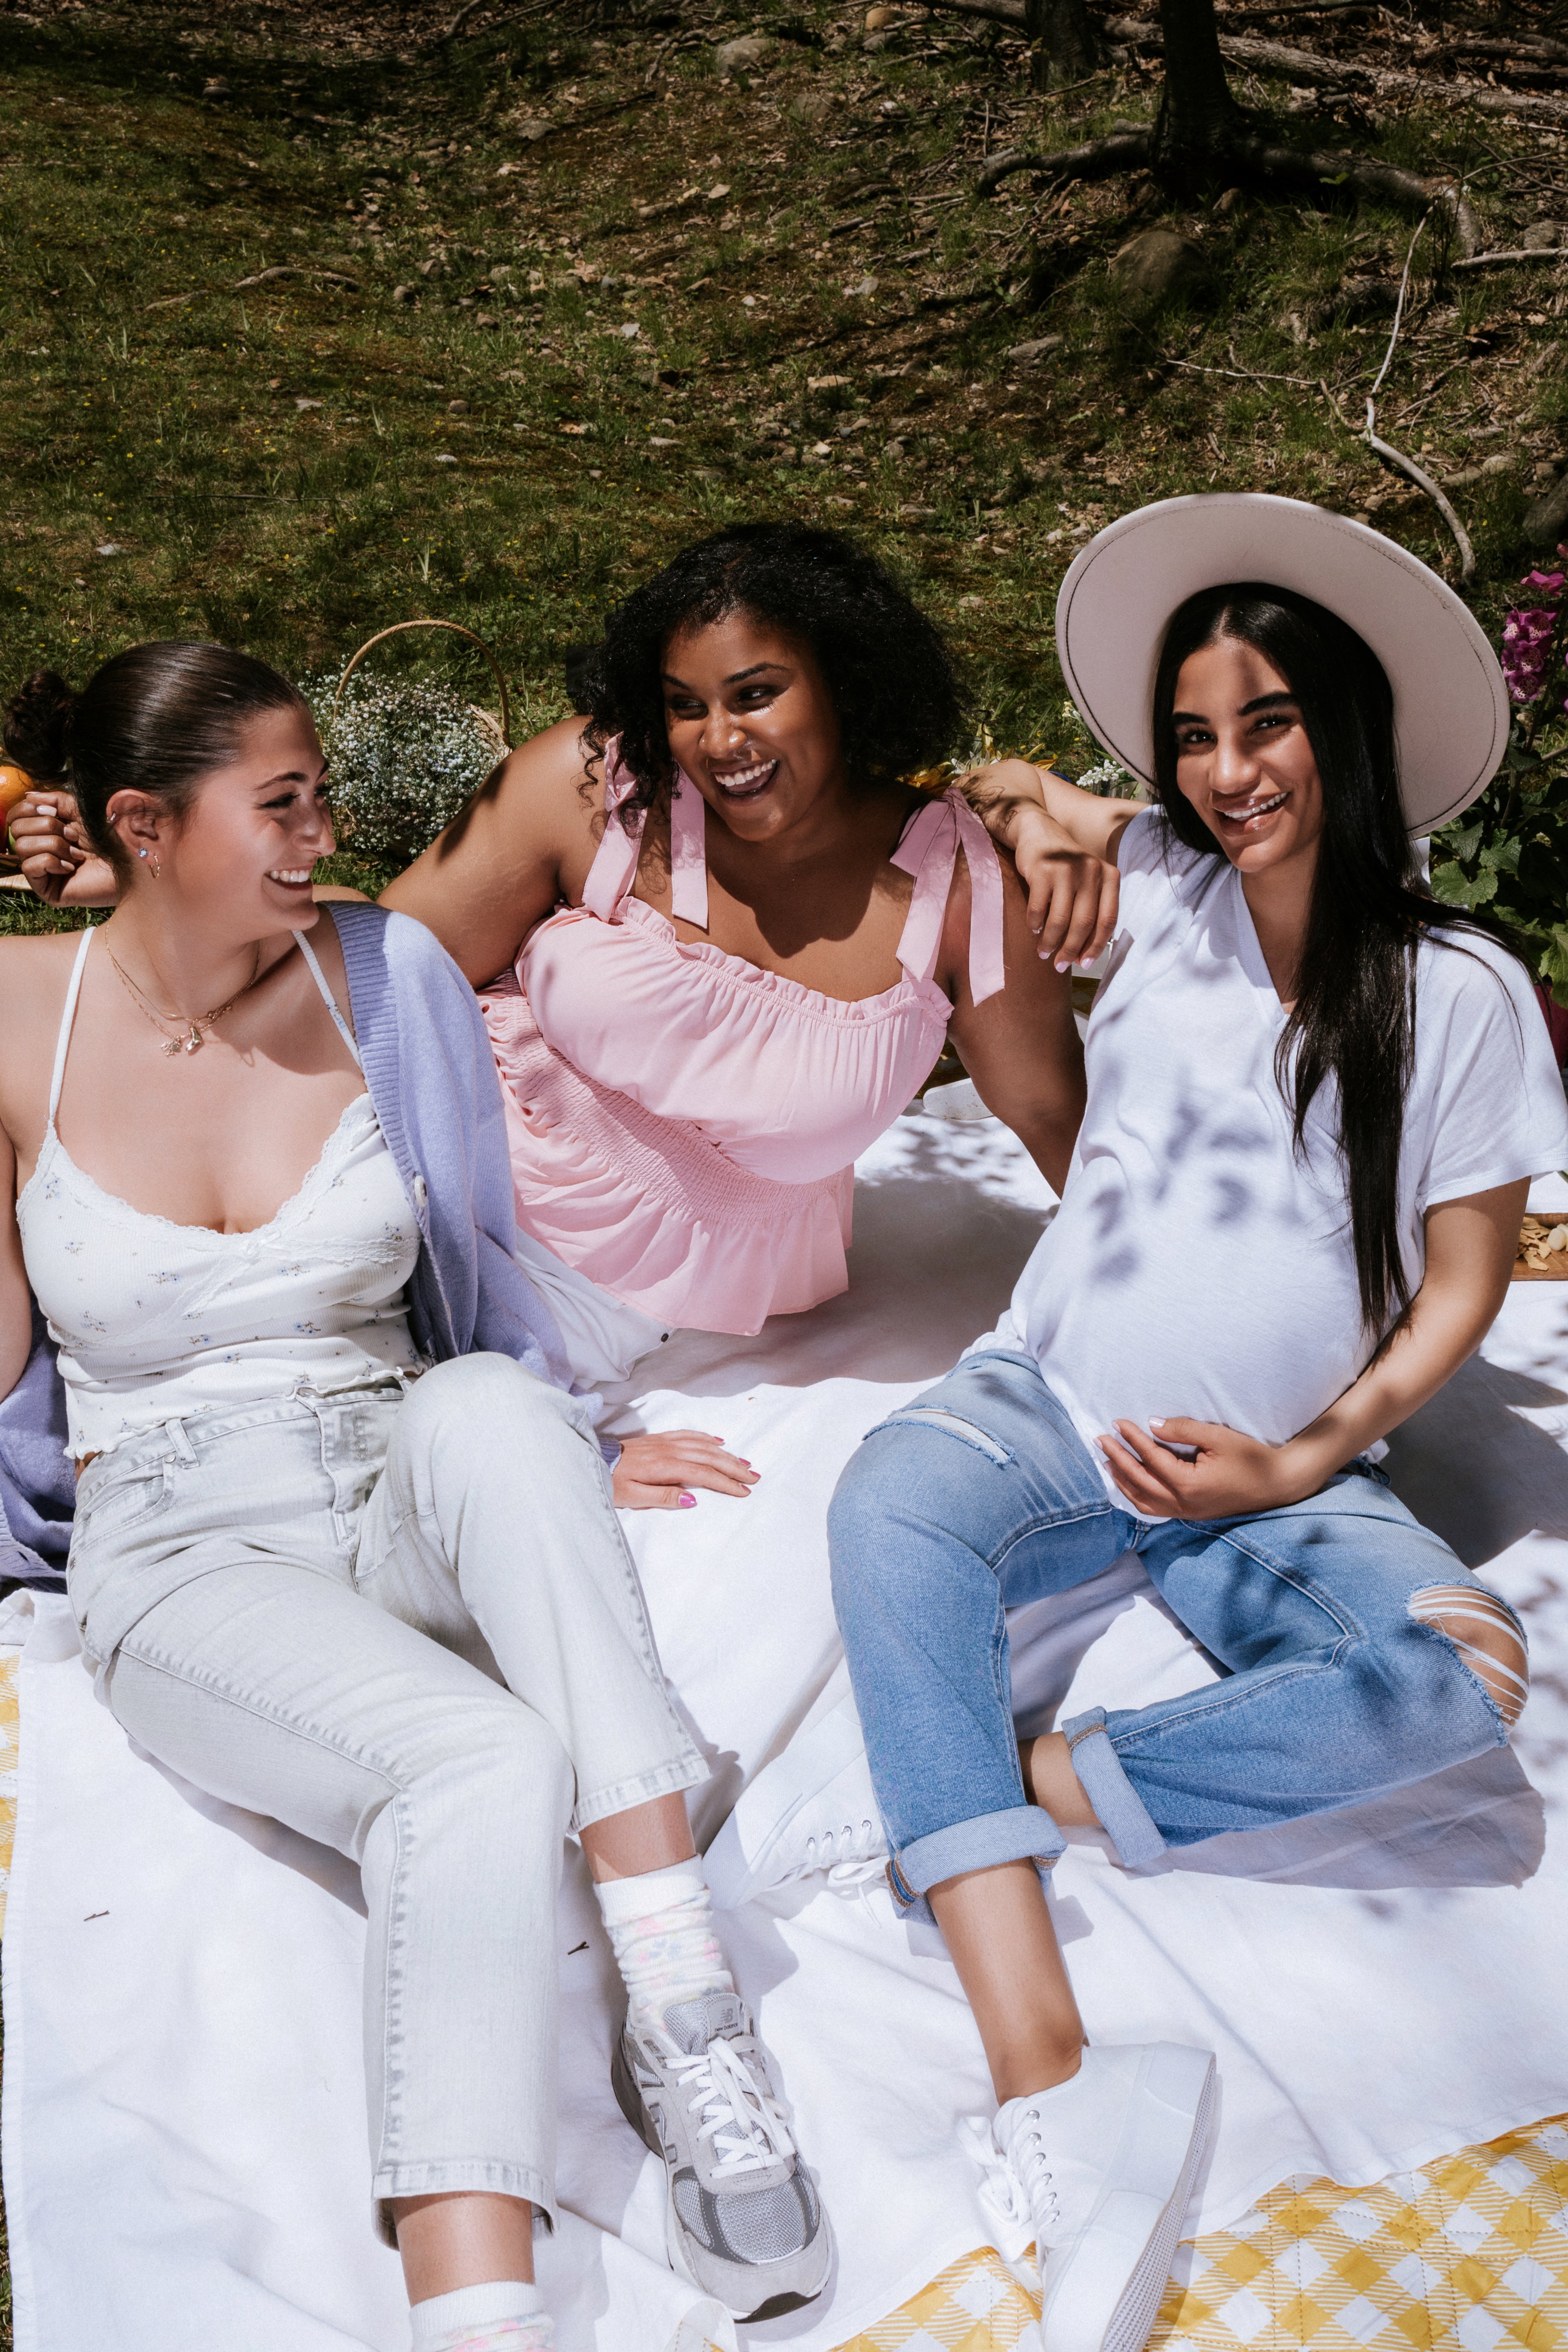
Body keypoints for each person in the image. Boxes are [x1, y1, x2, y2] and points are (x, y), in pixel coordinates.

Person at [703, 494, 1566, 2352]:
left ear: (1348, 731)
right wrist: (1037, 808)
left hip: (1276, 1484)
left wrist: (1301, 1459)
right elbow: (995, 784)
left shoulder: (1459, 989)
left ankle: (998, 1786)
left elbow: (1461, 1286)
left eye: (1268, 724)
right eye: (1191, 733)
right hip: (1058, 1407)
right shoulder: (1163, 886)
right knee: (886, 1504)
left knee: (1460, 1675)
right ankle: (1058, 2084)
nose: (1227, 770)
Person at [0, 644, 835, 2345]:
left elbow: (475, 1279)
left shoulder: (387, 979)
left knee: (496, 1409)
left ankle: (685, 2012)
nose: (324, 832)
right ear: (146, 826)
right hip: (185, 1539)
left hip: (397, 1460)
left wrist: (567, 1448)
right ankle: (481, 2317)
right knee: (480, 1763)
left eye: (320, 792)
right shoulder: (17, 1015)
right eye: (282, 804)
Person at [380, 524, 1093, 1391]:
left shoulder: (962, 893)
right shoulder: (597, 789)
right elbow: (373, 980)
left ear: (845, 682)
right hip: (414, 1185)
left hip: (576, 1319)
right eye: (686, 705)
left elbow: (1059, 1123)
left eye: (755, 695)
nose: (719, 742)